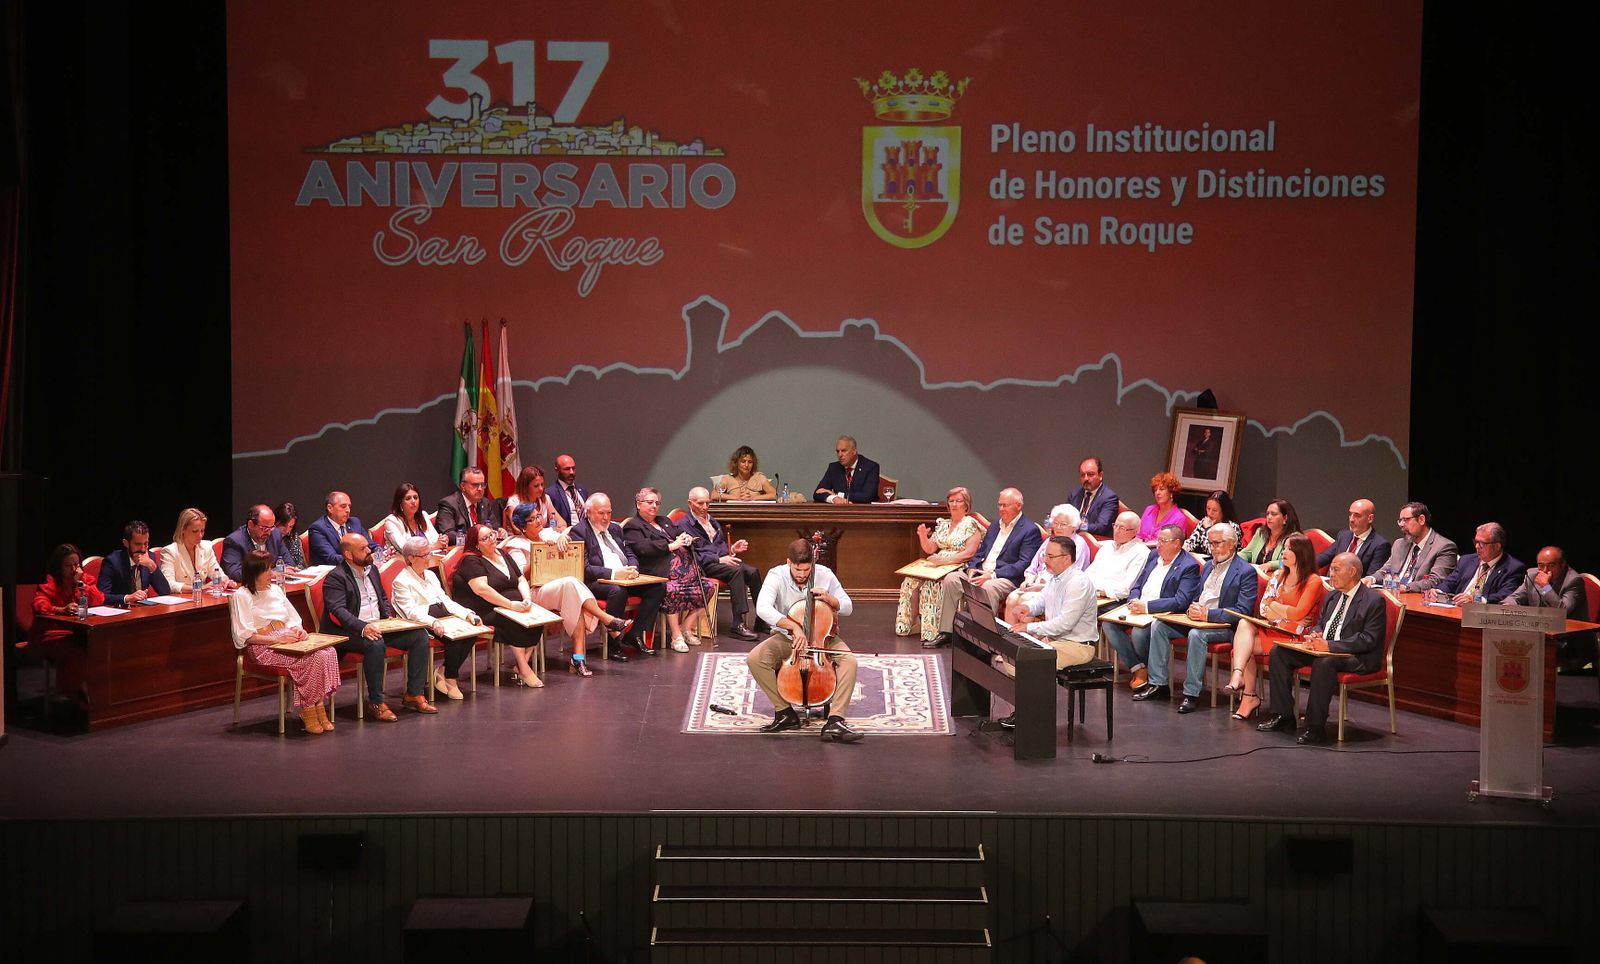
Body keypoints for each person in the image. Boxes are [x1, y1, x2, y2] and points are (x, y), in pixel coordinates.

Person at [1258, 552, 1387, 744]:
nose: (1330, 573)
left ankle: (1315, 727)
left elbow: (1367, 640)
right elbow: (1322, 624)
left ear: (1352, 572)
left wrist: (1330, 645)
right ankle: (1283, 715)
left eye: (1336, 569)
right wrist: (1315, 634)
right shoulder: (1333, 596)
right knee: (1280, 653)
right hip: (1324, 649)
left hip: (1357, 656)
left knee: (1324, 663)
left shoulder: (1373, 601)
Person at [748, 539, 862, 743]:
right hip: (788, 638)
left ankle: (835, 720)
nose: (802, 575)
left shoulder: (824, 574)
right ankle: (785, 713)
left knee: (849, 662)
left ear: (813, 565)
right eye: (797, 570)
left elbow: (848, 606)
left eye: (806, 570)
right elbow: (762, 608)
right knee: (755, 659)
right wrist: (793, 627)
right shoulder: (777, 574)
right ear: (789, 562)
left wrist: (831, 599)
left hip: (823, 639)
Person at [503, 502, 631, 675]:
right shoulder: (515, 545)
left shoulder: (548, 533)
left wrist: (562, 538)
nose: (538, 521)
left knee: (573, 593)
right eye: (531, 519)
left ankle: (578, 659)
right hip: (533, 592)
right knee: (571, 584)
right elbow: (519, 577)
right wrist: (538, 553)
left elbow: (568, 545)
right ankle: (607, 619)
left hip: (560, 587)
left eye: (538, 516)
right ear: (522, 526)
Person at [1144, 522, 1260, 713]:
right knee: (1159, 626)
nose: (1212, 548)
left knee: (1196, 635)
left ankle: (1191, 694)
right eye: (1211, 543)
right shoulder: (1207, 566)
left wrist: (1209, 615)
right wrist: (1193, 608)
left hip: (1225, 627)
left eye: (1217, 543)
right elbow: (1197, 597)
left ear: (1231, 544)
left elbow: (1243, 610)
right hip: (1199, 619)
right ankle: (1158, 684)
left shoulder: (1246, 572)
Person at [322, 533, 435, 719]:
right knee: (375, 644)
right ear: (349, 555)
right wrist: (363, 627)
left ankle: (414, 694)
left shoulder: (372, 569)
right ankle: (376, 702)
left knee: (419, 635)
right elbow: (338, 611)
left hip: (378, 626)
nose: (369, 551)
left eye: (368, 546)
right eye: (363, 549)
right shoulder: (336, 577)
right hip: (347, 632)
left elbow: (381, 596)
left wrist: (388, 617)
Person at [229, 548, 342, 733]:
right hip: (263, 646)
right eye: (267, 570)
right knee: (310, 658)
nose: (272, 574)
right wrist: (276, 639)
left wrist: (299, 631)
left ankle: (318, 703)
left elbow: (293, 619)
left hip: (286, 638)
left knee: (328, 652)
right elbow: (245, 635)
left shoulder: (275, 589)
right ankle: (308, 708)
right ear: (255, 573)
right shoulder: (242, 595)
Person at [1225, 532, 1325, 721]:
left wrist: (1275, 607)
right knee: (1245, 623)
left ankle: (1248, 695)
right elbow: (1263, 608)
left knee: (1242, 649)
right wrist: (1283, 612)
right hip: (1274, 629)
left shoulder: (1313, 581)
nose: (1284, 552)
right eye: (1284, 548)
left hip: (1296, 636)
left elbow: (1299, 614)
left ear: (1301, 553)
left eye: (1289, 549)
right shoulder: (1278, 575)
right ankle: (1240, 679)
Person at [1103, 524, 1202, 701]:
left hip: (1162, 613)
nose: (1158, 545)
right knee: (1109, 624)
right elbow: (1138, 584)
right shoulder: (1153, 556)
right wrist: (1133, 599)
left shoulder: (1188, 566)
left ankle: (1154, 679)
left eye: (1163, 541)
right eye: (1158, 540)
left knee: (1140, 633)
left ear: (1177, 544)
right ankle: (1138, 668)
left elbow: (1181, 601)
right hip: (1139, 608)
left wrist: (1147, 607)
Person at [932, 488, 1041, 645]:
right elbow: (980, 552)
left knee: (988, 587)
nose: (1001, 509)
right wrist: (972, 568)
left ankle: (984, 641)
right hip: (980, 572)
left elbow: (1023, 564)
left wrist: (993, 575)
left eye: (1005, 505)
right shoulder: (995, 525)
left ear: (1018, 506)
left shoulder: (1030, 530)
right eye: (999, 505)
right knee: (952, 579)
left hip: (1005, 578)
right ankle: (947, 632)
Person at [389, 536, 486, 700]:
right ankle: (451, 678)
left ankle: (445, 672)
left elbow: (446, 601)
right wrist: (433, 622)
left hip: (441, 615)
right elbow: (411, 612)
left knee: (472, 630)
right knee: (453, 638)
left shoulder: (430, 575)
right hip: (421, 621)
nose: (429, 558)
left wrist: (467, 613)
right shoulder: (401, 581)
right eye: (424, 555)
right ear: (411, 558)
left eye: (429, 553)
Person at [452, 523, 547, 687]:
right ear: (476, 544)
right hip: (483, 608)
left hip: (512, 605)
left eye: (492, 534)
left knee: (537, 619)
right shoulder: (472, 560)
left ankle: (521, 664)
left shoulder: (502, 553)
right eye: (486, 537)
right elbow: (482, 590)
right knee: (514, 622)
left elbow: (520, 578)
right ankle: (524, 670)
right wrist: (510, 605)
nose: (492, 539)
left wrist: (527, 599)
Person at [570, 493, 662, 659]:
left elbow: (629, 552)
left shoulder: (615, 528)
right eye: (601, 513)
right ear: (589, 513)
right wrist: (614, 573)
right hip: (597, 582)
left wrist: (633, 567)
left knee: (658, 587)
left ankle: (633, 634)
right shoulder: (579, 532)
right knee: (617, 591)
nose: (606, 518)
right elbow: (583, 568)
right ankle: (614, 643)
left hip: (624, 578)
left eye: (609, 513)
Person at [895, 486, 984, 644]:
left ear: (966, 504)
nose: (954, 504)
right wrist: (922, 536)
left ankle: (933, 631)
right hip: (938, 564)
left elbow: (970, 553)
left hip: (959, 565)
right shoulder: (943, 524)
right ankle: (910, 624)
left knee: (932, 584)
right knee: (910, 580)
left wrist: (946, 560)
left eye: (958, 501)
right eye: (951, 501)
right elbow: (930, 548)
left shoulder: (971, 524)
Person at [682, 486, 764, 640]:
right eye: (700, 503)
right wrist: (719, 559)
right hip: (703, 566)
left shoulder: (711, 521)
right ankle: (737, 623)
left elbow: (718, 546)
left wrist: (732, 549)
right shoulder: (684, 524)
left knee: (753, 572)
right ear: (690, 503)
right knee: (736, 571)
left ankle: (761, 619)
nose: (705, 507)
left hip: (720, 561)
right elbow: (693, 554)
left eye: (707, 503)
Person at [29, 543, 105, 707]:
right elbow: (38, 605)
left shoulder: (83, 580)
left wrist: (81, 587)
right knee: (76, 652)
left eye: (76, 565)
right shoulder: (49, 582)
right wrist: (60, 609)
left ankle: (96, 696)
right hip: (49, 635)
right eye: (68, 566)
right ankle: (71, 695)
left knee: (99, 647)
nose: (73, 569)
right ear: (59, 567)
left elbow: (99, 600)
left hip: (76, 632)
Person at [1010, 536, 1101, 669]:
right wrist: (1028, 607)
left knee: (1022, 665)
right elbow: (1043, 599)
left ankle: (1039, 690)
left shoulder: (1077, 583)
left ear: (1066, 558)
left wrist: (1028, 627)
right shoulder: (1056, 576)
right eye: (1045, 555)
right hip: (1055, 640)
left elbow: (1065, 623)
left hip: (1077, 646)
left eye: (1051, 557)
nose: (1046, 560)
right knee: (1012, 658)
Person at [622, 487, 689, 650]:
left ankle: (686, 629)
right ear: (638, 504)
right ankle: (672, 634)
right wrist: (671, 545)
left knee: (705, 585)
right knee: (665, 588)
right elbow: (645, 548)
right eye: (650, 502)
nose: (654, 506)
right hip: (650, 571)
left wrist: (686, 537)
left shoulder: (663, 520)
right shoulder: (634, 526)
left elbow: (680, 532)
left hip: (677, 570)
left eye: (657, 503)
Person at [1002, 504, 1090, 624]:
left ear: (1074, 527)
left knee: (1025, 600)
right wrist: (1029, 579)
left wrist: (1041, 587)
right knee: (1012, 598)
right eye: (1056, 523)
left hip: (1058, 590)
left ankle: (1024, 641)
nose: (1058, 527)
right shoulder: (1050, 541)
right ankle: (1009, 640)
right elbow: (1033, 566)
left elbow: (1069, 577)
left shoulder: (1078, 545)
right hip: (1037, 584)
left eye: (1063, 524)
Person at [1370, 501, 1459, 593]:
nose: (1401, 524)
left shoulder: (1444, 546)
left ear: (1421, 520)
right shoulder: (1399, 544)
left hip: (1417, 598)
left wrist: (1406, 587)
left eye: (1406, 520)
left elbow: (1436, 580)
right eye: (1400, 520)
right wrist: (1371, 578)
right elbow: (1386, 570)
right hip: (1393, 594)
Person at [1432, 522, 1526, 605]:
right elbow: (1450, 582)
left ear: (1497, 546)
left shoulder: (1513, 568)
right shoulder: (1466, 560)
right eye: (1476, 542)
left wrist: (1476, 600)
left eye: (1482, 543)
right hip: (1456, 608)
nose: (1477, 546)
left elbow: (1504, 595)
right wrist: (1437, 591)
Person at [97, 520, 171, 607]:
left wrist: (153, 567)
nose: (143, 549)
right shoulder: (112, 562)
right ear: (126, 543)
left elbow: (165, 592)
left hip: (141, 611)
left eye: (146, 543)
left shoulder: (150, 557)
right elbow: (101, 596)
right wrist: (127, 598)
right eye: (138, 544)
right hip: (119, 613)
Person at [161, 507, 235, 591]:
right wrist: (199, 588)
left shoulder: (207, 546)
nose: (200, 535)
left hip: (202, 599)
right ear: (183, 530)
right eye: (195, 531)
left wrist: (225, 581)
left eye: (202, 531)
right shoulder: (170, 551)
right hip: (180, 600)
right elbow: (169, 584)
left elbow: (216, 572)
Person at [1083, 511, 1151, 601]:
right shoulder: (1106, 547)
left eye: (1122, 528)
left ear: (1135, 531)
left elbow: (1126, 590)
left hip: (1113, 600)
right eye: (1116, 525)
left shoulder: (1141, 553)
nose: (1116, 531)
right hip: (1091, 595)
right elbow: (1089, 573)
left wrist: (1099, 590)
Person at [220, 504, 296, 583]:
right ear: (251, 524)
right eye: (264, 528)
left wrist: (275, 572)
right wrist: (270, 573)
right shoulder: (234, 541)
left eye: (271, 527)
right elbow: (235, 574)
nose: (269, 533)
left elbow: (289, 564)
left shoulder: (275, 534)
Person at [1501, 546, 1586, 616]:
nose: (1545, 570)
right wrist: (1509, 605)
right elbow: (1514, 598)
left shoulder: (1573, 581)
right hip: (1540, 627)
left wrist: (1545, 587)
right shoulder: (1532, 576)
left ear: (1563, 565)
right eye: (1541, 565)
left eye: (1551, 565)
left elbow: (1563, 612)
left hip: (1568, 631)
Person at [1316, 498, 1390, 574]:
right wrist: (1305, 567)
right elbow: (1325, 556)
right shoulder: (1343, 536)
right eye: (1350, 514)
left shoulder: (1380, 545)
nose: (1351, 519)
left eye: (1357, 515)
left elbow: (1371, 577)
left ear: (1370, 518)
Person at [435, 466, 501, 545]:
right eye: (475, 485)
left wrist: (499, 531)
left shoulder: (484, 502)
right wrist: (478, 539)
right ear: (463, 486)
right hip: (461, 551)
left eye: (482, 485)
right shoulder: (448, 504)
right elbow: (449, 534)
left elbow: (494, 527)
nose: (480, 489)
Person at [307, 490, 373, 567]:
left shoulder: (355, 522)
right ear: (330, 508)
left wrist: (382, 552)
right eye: (343, 506)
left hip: (357, 567)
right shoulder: (317, 529)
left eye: (349, 506)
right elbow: (332, 558)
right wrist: (362, 558)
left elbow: (370, 544)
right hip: (332, 572)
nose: (348, 510)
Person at [1239, 499, 1301, 573]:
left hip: (1278, 579)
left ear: (1285, 518)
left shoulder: (1294, 538)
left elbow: (1291, 562)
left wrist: (1271, 565)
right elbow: (1247, 553)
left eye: (1273, 514)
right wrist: (1233, 559)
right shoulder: (1261, 533)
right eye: (1267, 514)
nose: (1269, 517)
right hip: (1256, 577)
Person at [814, 435, 880, 504]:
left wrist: (837, 495)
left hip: (865, 512)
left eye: (843, 451)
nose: (840, 455)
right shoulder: (834, 468)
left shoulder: (870, 467)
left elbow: (868, 496)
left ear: (854, 451)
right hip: (840, 512)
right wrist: (833, 498)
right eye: (837, 451)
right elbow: (818, 493)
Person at [501, 465, 566, 535]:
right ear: (525, 487)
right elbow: (517, 529)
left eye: (542, 484)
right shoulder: (514, 502)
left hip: (541, 540)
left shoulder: (545, 498)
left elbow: (562, 523)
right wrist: (547, 532)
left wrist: (558, 531)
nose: (541, 488)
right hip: (520, 541)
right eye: (536, 486)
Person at [380, 482, 442, 552]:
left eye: (415, 497)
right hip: (405, 562)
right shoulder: (392, 522)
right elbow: (405, 549)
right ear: (400, 503)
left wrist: (442, 541)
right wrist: (434, 546)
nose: (413, 501)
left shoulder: (423, 515)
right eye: (408, 498)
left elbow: (436, 539)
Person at [1066, 457, 1119, 537]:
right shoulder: (1075, 493)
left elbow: (1101, 527)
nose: (1086, 478)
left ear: (1100, 475)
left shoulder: (1109, 497)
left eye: (1090, 474)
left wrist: (1078, 527)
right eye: (1083, 475)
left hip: (1095, 540)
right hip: (1072, 538)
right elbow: (1065, 516)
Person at [1182, 490, 1243, 558]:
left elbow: (1214, 552)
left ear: (1223, 511)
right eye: (1208, 508)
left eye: (1214, 510)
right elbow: (1191, 543)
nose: (1210, 513)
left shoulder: (1232, 528)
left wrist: (1208, 529)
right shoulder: (1204, 522)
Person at [712, 445, 777, 501]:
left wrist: (753, 498)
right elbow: (714, 495)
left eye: (750, 462)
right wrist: (737, 498)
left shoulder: (759, 478)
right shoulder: (727, 479)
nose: (746, 465)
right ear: (736, 463)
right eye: (743, 461)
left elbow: (774, 495)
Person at [1137, 472, 1186, 543]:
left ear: (1171, 493)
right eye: (1155, 490)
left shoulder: (1179, 518)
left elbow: (1175, 545)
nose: (1157, 493)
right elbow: (1138, 535)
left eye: (1162, 489)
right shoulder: (1149, 509)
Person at [546, 454, 590, 529]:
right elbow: (550, 521)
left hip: (588, 534)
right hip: (569, 535)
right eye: (567, 469)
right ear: (557, 470)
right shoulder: (551, 493)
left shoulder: (582, 489)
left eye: (573, 468)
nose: (571, 472)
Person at [276, 501, 306, 568]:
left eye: (290, 527)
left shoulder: (293, 537)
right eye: (283, 525)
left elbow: (299, 563)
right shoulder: (269, 537)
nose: (286, 530)